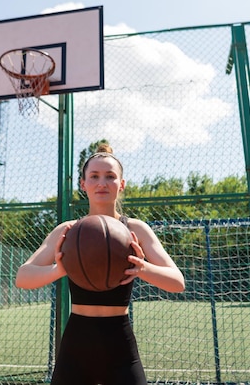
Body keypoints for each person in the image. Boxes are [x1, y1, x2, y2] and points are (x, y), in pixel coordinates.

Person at [15, 143, 185, 385]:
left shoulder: (136, 229)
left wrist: (143, 268)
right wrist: (59, 270)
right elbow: (23, 277)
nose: (102, 183)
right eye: (94, 176)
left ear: (122, 184)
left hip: (120, 344)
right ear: (83, 184)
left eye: (110, 176)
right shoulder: (68, 231)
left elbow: (177, 283)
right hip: (77, 344)